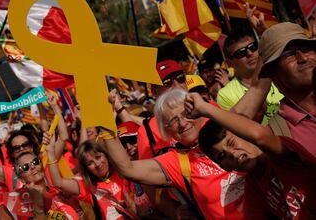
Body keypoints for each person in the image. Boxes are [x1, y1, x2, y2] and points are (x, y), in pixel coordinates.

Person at [100, 88, 246, 220]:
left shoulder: (226, 129)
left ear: (198, 111)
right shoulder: (176, 161)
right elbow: (128, 169)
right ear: (167, 131)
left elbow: (257, 91)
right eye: (173, 120)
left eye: (186, 114)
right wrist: (106, 124)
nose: (182, 123)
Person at [185, 92, 316, 219]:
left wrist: (205, 108)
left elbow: (260, 136)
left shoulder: (280, 152)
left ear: (244, 135)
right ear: (225, 168)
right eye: (222, 155)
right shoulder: (254, 187)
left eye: (231, 142)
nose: (233, 153)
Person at [0, 114, 82, 219]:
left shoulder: (44, 162)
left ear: (32, 146)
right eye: (17, 148)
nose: (22, 149)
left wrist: (55, 106)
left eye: (25, 145)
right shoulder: (12, 173)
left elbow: (63, 137)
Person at [232, 22, 316, 157]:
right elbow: (225, 136)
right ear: (275, 77)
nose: (303, 58)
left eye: (306, 48)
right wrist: (258, 89)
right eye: (289, 54)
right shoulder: (279, 134)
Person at [45, 136, 137, 220]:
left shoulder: (122, 171)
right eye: (90, 163)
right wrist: (50, 152)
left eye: (98, 157)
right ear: (86, 168)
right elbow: (58, 182)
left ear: (106, 155)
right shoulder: (87, 187)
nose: (97, 164)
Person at [217, 33, 283, 125]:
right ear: (229, 63)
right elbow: (237, 129)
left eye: (253, 47)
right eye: (241, 53)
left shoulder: (278, 73)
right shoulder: (224, 95)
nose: (250, 53)